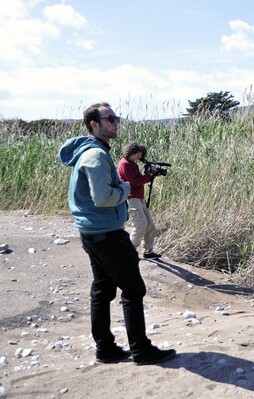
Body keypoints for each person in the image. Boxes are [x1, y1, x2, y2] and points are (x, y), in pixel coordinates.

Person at [58, 102, 176, 365]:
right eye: (109, 118)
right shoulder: (96, 155)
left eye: (116, 117)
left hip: (91, 231)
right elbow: (103, 197)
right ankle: (142, 350)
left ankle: (106, 348)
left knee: (102, 289)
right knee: (133, 289)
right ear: (94, 124)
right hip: (107, 233)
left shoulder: (89, 151)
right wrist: (124, 189)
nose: (115, 122)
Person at [117, 142, 161, 259]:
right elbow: (135, 181)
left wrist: (151, 175)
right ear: (132, 152)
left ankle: (148, 252)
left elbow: (139, 180)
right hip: (132, 198)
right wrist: (149, 174)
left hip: (139, 198)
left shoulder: (132, 164)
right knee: (140, 224)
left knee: (150, 225)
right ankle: (129, 252)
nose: (139, 158)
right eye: (138, 155)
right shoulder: (125, 164)